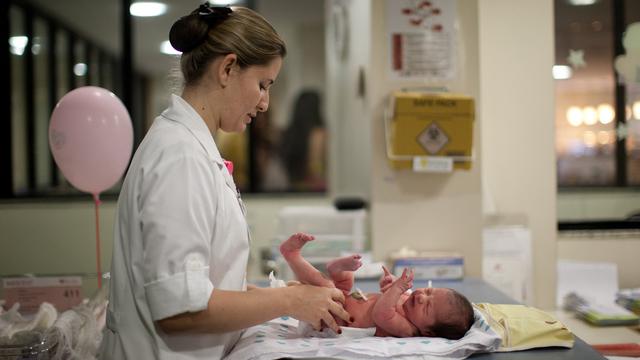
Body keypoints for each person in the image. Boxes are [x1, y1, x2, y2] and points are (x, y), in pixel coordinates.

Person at [100, 5, 350, 359]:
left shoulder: (191, 148)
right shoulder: (180, 157)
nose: (265, 103)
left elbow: (207, 287)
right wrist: (290, 299)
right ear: (228, 68)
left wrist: (292, 299)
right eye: (262, 85)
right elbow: (181, 311)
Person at [280, 232, 475, 339]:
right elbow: (385, 297)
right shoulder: (407, 299)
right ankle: (340, 268)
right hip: (344, 297)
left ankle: (292, 256)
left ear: (427, 332)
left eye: (428, 306)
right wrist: (390, 285)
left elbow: (381, 313)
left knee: (325, 285)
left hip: (333, 319)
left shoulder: (408, 329)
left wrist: (397, 289)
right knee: (345, 281)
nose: (422, 296)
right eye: (429, 291)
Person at [279, 90, 327, 191]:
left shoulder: (289, 134)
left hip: (293, 188)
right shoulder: (319, 134)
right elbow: (316, 170)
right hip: (316, 189)